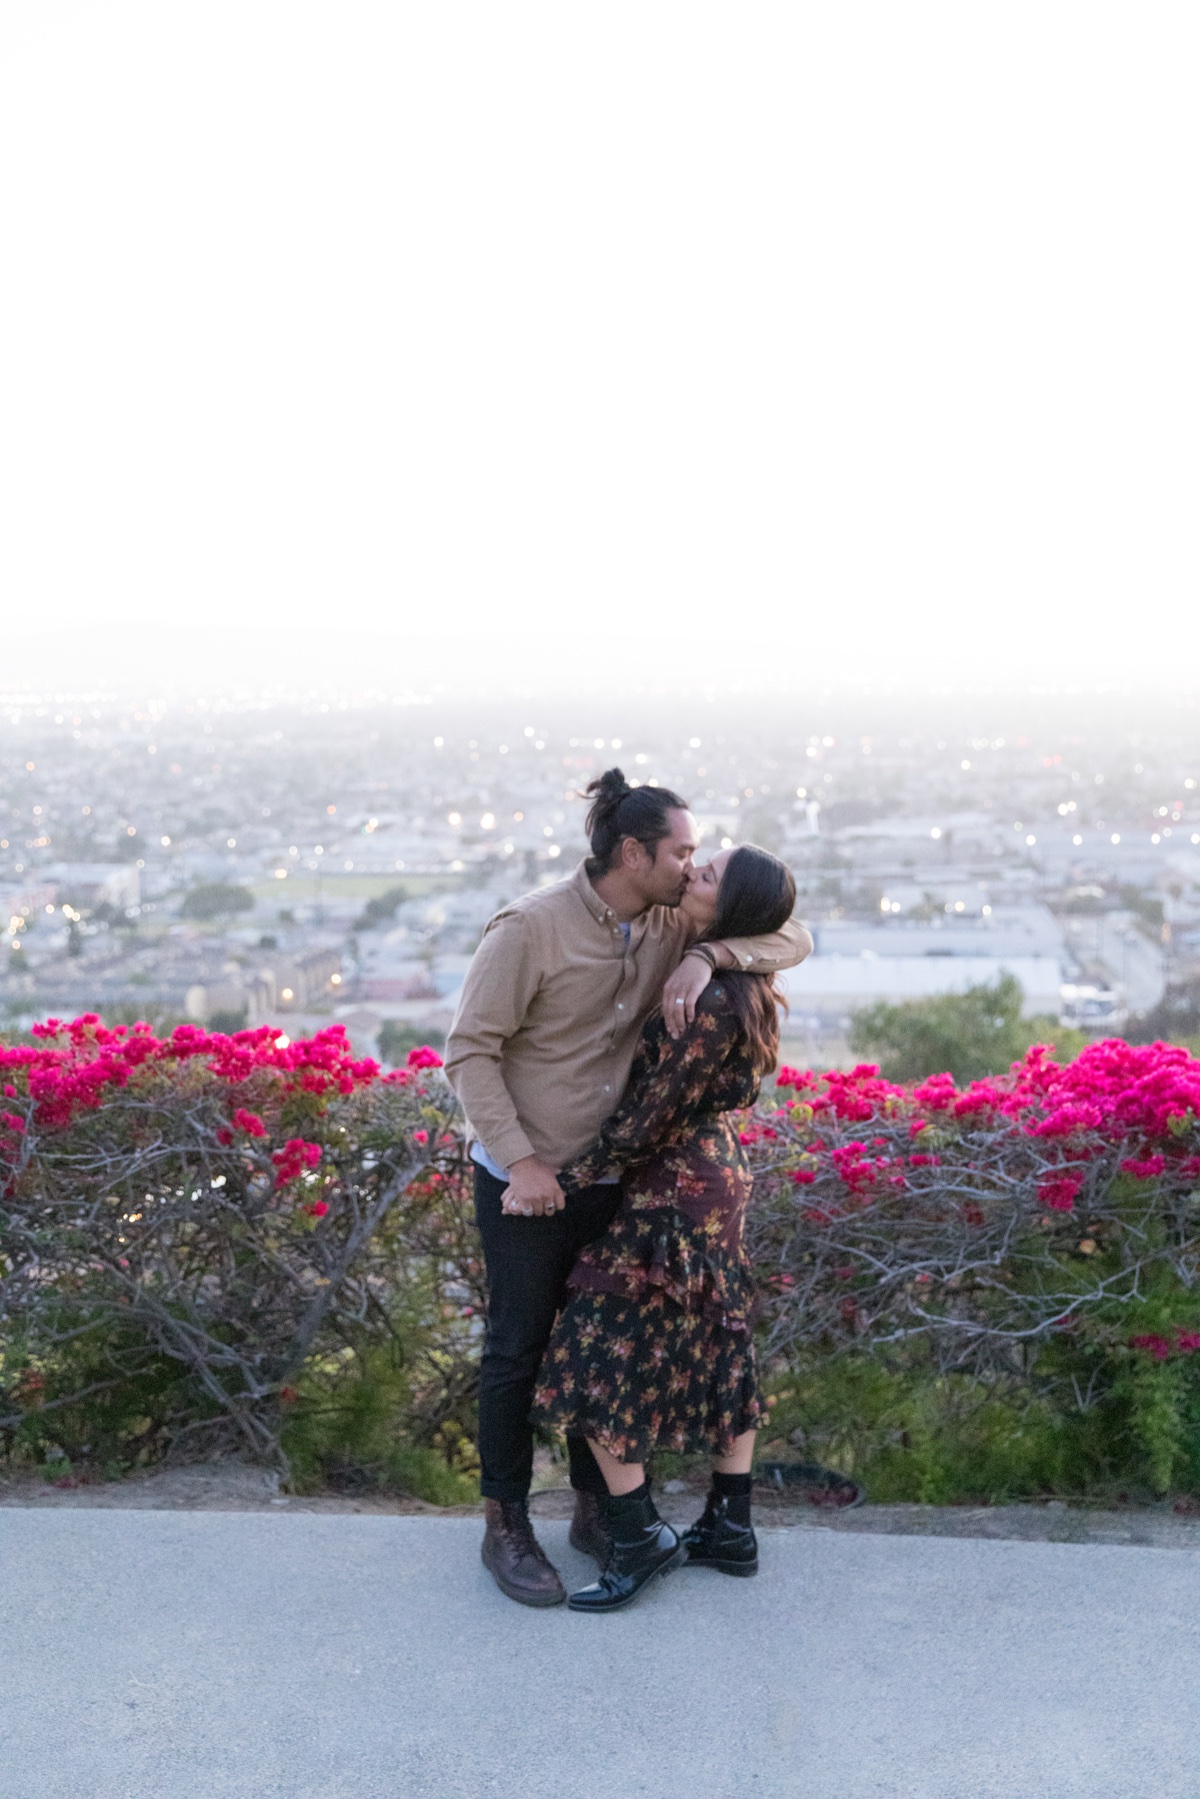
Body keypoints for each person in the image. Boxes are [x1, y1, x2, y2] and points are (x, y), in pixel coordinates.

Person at [445, 770, 811, 1608]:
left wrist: (714, 955)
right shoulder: (529, 928)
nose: (692, 866)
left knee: (595, 1343)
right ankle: (504, 1524)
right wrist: (524, 1162)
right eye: (681, 851)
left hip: (616, 1175)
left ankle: (596, 1511)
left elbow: (789, 933)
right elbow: (470, 1051)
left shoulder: (670, 922)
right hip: (528, 1181)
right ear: (632, 852)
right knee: (518, 1351)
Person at [528, 843, 794, 1613]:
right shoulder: (743, 981)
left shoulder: (708, 1003)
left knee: (593, 1353)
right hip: (715, 1179)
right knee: (718, 1338)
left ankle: (640, 1535)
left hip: (673, 1190)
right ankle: (730, 1524)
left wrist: (555, 1177)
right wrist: (709, 951)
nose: (694, 872)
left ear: (729, 908)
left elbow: (648, 1120)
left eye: (707, 876)